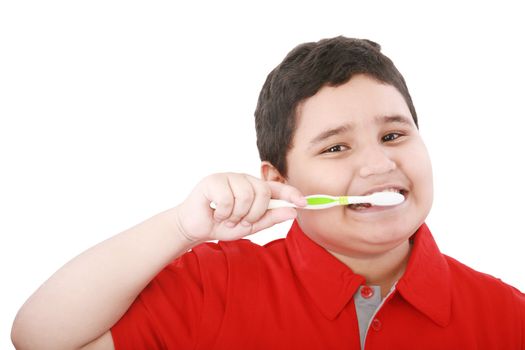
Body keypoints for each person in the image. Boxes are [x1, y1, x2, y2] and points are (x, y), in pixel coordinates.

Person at [11, 36, 525, 350]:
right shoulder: (215, 286)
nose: (378, 162)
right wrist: (181, 229)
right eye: (336, 148)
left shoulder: (508, 317)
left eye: (394, 135)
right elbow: (39, 339)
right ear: (279, 182)